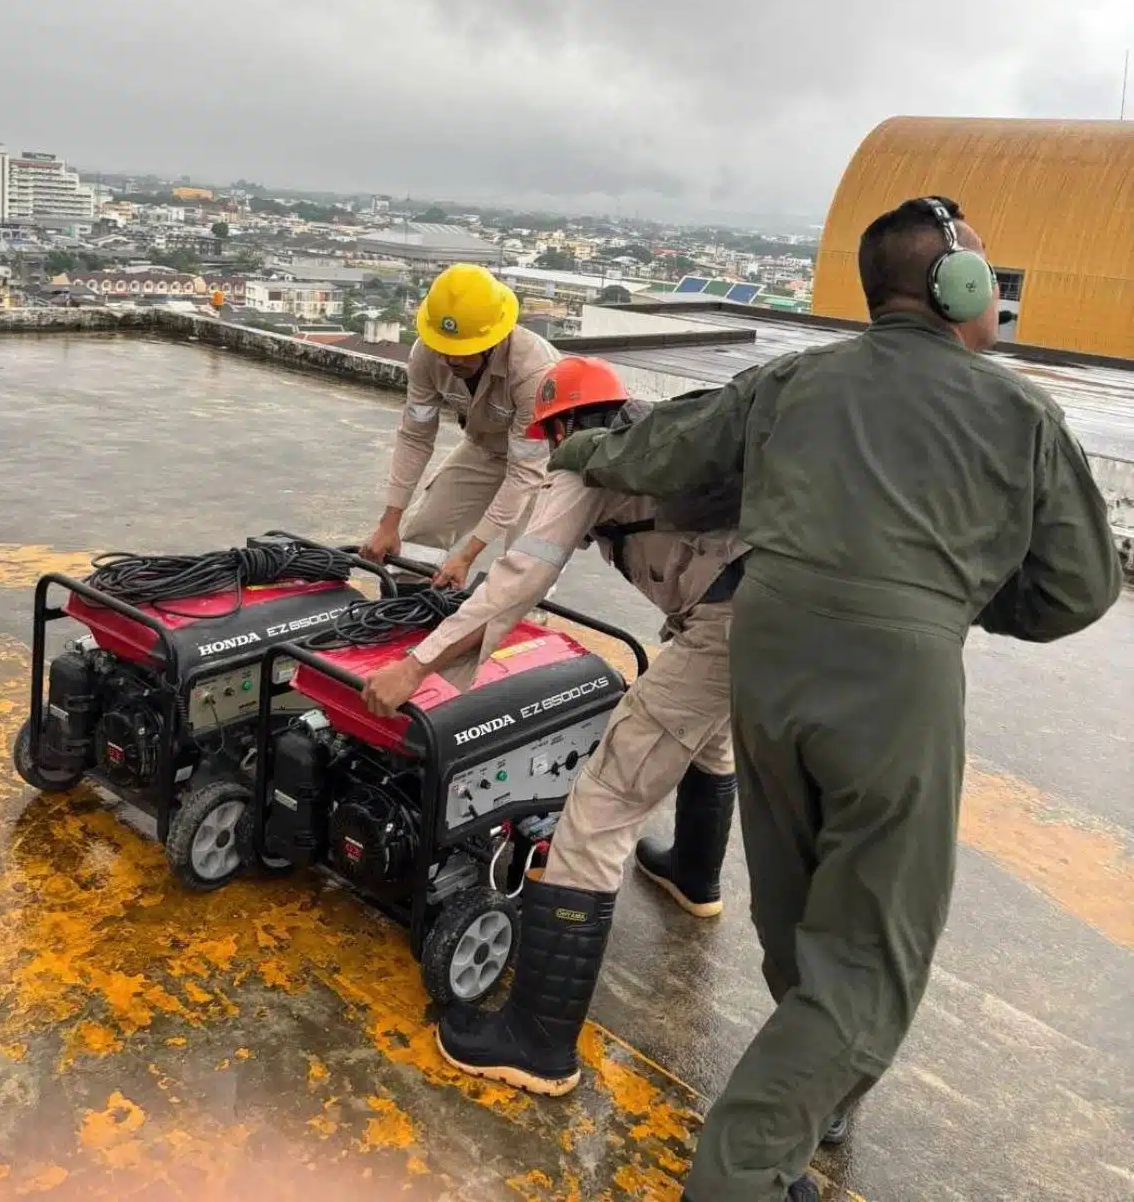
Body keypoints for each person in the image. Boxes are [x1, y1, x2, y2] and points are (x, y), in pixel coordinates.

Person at [549, 197, 1123, 1202]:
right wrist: (942, 593)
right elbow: (1076, 590)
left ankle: (817, 1090)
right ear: (957, 287)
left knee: (797, 895)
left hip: (767, 647)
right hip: (891, 682)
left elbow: (663, 450)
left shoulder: (793, 379)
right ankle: (744, 1172)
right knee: (871, 958)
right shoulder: (1020, 412)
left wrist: (577, 448)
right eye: (984, 270)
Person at [361, 355, 748, 1096]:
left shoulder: (585, 464)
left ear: (562, 424)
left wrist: (419, 664)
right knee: (712, 729)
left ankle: (537, 1042)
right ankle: (695, 876)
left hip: (729, 626)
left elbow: (524, 574)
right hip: (782, 610)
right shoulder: (665, 432)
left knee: (597, 814)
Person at [360, 263, 557, 590]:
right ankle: (404, 614)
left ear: (494, 338)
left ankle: (528, 621)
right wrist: (388, 522)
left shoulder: (534, 372)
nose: (452, 360)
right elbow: (415, 436)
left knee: (525, 563)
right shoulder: (426, 353)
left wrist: (467, 555)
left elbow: (525, 471)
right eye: (445, 348)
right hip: (485, 449)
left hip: (545, 463)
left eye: (463, 351)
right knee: (420, 540)